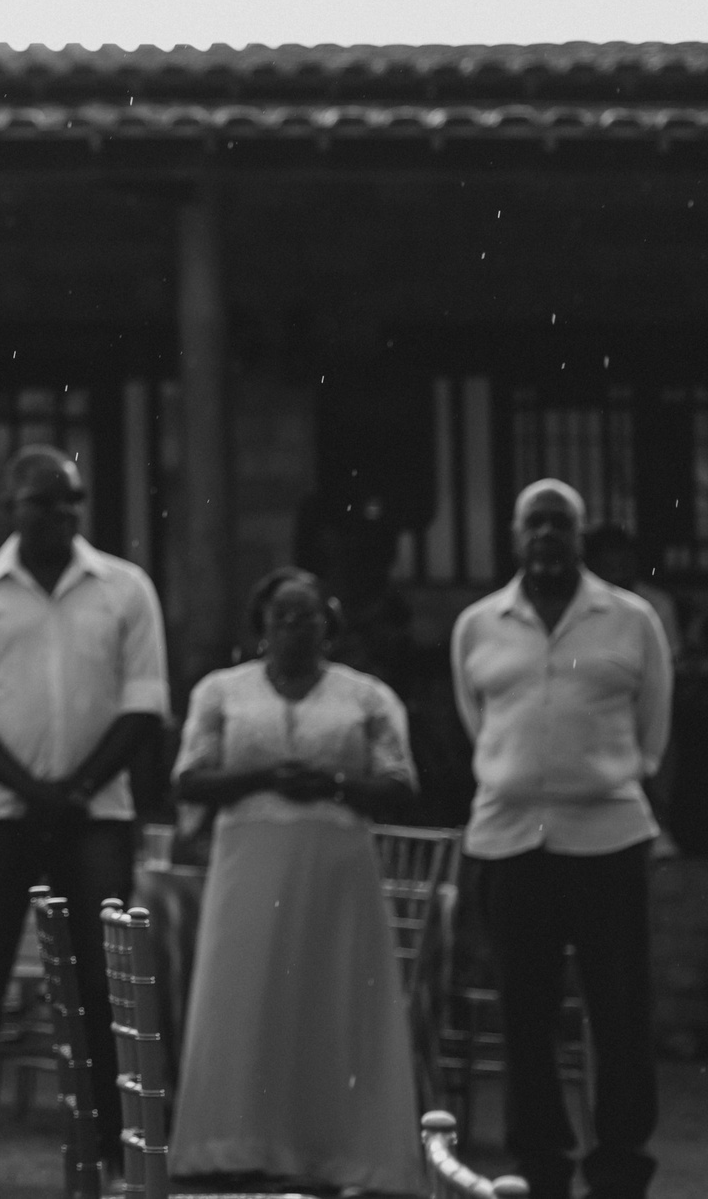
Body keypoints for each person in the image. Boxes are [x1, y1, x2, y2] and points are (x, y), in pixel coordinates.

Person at [0, 445, 168, 1190]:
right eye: (44, 501)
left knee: (99, 983)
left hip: (97, 816)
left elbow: (145, 702)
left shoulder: (125, 588)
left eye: (72, 501)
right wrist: (35, 787)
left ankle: (113, 1157)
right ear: (9, 505)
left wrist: (78, 786)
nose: (61, 514)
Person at [168, 567, 425, 1193]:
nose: (293, 627)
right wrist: (260, 778)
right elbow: (188, 778)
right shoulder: (221, 692)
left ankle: (336, 1149)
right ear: (261, 625)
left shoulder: (365, 697)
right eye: (281, 615)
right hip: (249, 857)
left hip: (336, 863)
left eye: (307, 615)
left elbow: (400, 784)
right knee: (247, 990)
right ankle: (236, 1140)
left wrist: (334, 784)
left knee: (332, 995)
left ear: (328, 626)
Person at [453, 479, 671, 1199]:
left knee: (620, 1009)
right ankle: (539, 1162)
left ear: (578, 535)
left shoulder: (630, 619)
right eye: (533, 524)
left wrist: (597, 778)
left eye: (559, 524)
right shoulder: (479, 624)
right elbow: (478, 721)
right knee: (524, 1011)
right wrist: (523, 776)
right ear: (517, 536)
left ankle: (619, 1162)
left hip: (607, 839)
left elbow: (653, 731)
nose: (546, 535)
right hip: (511, 843)